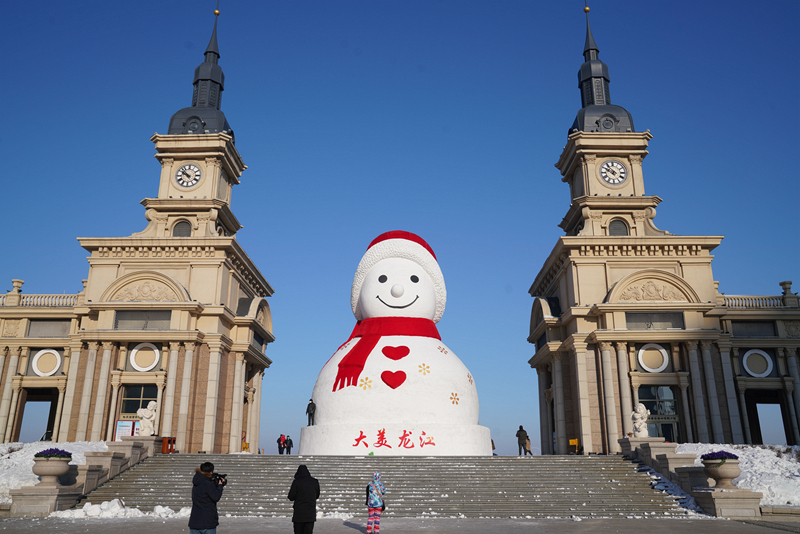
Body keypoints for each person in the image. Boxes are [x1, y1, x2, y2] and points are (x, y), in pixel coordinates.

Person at [188, 461, 225, 534]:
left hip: (195, 521)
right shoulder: (207, 483)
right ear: (211, 472)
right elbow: (215, 497)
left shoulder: (196, 482)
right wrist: (220, 486)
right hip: (207, 522)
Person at [288, 464, 320, 534]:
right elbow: (317, 496)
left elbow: (291, 497)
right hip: (310, 513)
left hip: (299, 514)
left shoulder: (296, 482)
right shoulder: (315, 482)